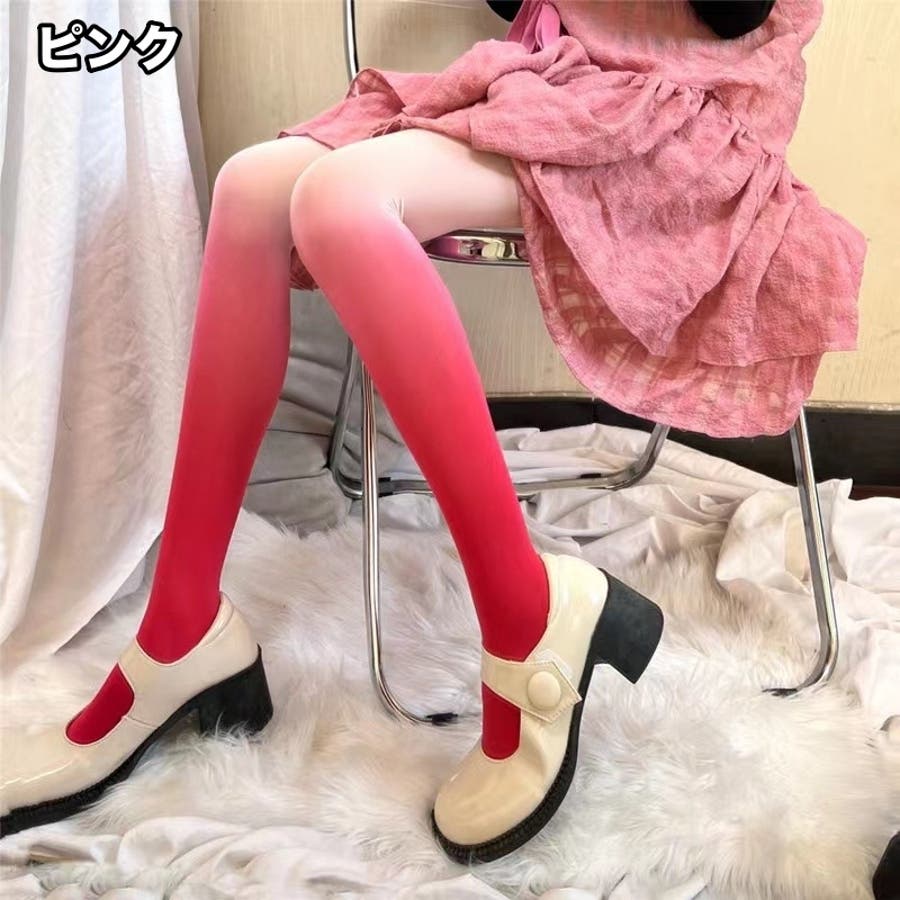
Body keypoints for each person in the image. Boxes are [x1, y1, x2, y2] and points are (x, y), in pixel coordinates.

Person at [1, 0, 864, 866]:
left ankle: (526, 613)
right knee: (252, 188)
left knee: (340, 204)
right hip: (557, 85)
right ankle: (181, 624)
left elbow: (735, 11)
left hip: (683, 116)